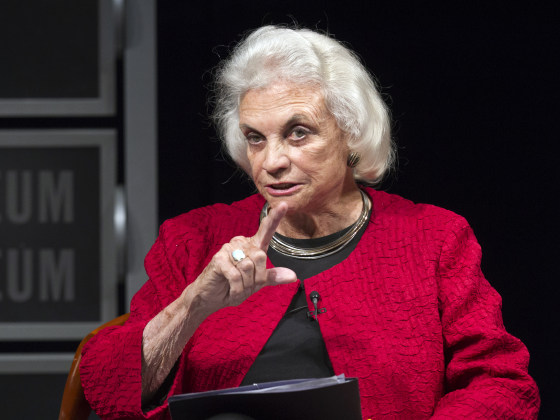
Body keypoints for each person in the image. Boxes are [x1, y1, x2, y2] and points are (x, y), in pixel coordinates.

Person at [80, 25, 540, 419]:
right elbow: (107, 386)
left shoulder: (434, 238)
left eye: (298, 133)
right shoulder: (192, 239)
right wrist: (193, 304)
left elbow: (501, 382)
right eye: (255, 139)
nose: (272, 161)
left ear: (351, 133)